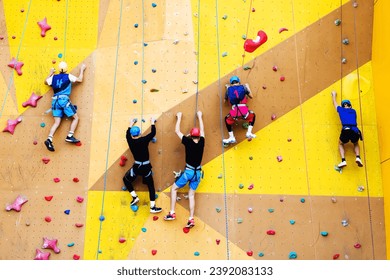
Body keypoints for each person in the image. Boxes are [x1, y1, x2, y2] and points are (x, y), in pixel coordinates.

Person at [164, 111, 205, 228]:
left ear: (190, 136)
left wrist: (179, 117)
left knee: (174, 189)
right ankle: (191, 219)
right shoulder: (202, 142)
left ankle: (172, 212)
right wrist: (200, 117)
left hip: (189, 172)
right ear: (199, 136)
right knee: (191, 195)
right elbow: (202, 131)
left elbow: (177, 131)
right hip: (197, 173)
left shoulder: (187, 142)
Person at [44, 61, 86, 152]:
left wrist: (51, 73)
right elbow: (80, 80)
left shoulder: (53, 78)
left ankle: (49, 139)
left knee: (56, 122)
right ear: (66, 69)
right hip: (64, 100)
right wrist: (82, 70)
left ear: (58, 69)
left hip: (55, 102)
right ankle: (70, 135)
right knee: (75, 118)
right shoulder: (68, 76)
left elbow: (45, 82)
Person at [123, 117, 162, 214]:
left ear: (132, 135)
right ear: (140, 133)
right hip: (146, 167)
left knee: (125, 179)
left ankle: (134, 196)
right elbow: (153, 133)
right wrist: (152, 123)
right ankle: (152, 207)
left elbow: (127, 134)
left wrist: (130, 124)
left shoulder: (130, 141)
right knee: (150, 186)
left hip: (137, 167)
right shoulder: (144, 140)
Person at [331, 90, 363, 168]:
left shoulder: (341, 110)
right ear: (350, 106)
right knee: (355, 143)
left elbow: (334, 103)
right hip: (355, 130)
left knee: (340, 143)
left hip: (346, 129)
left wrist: (333, 95)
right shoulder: (353, 111)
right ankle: (358, 157)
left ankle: (343, 160)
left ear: (342, 106)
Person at [223, 75, 256, 144]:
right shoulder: (244, 87)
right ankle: (249, 132)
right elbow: (251, 96)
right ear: (239, 82)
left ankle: (231, 137)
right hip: (244, 111)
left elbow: (224, 101)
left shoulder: (229, 89)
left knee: (227, 119)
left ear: (231, 83)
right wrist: (248, 87)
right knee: (253, 116)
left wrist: (227, 88)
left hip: (234, 112)